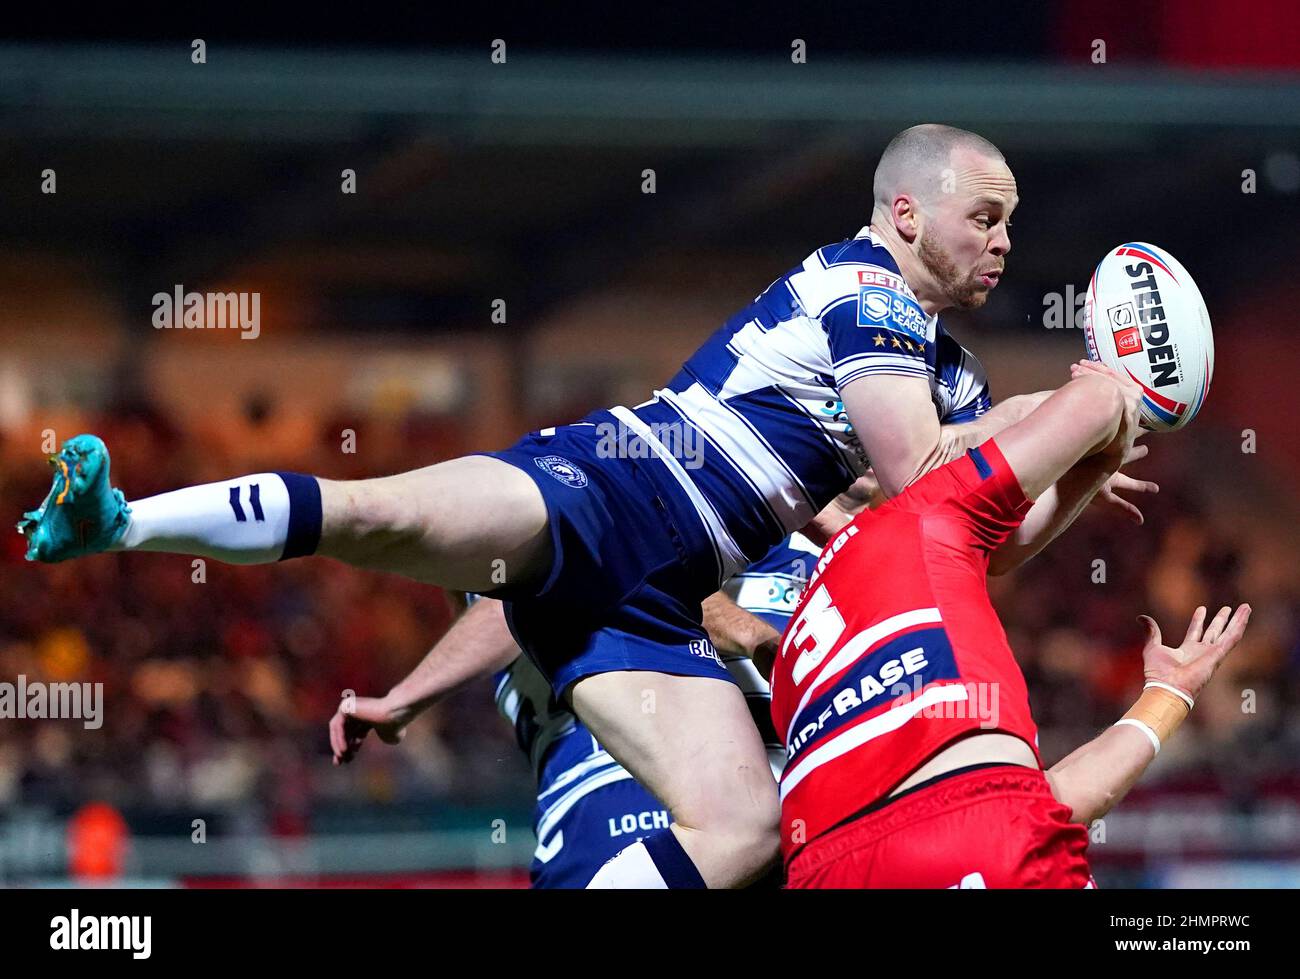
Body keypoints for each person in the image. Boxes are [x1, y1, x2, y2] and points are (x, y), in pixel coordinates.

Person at [18, 124, 1151, 887]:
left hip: (657, 602)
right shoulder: (861, 288)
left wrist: (1087, 465)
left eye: (1009, 224)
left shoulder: (945, 373)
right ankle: (121, 521)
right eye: (984, 218)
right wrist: (1090, 397)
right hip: (611, 482)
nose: (1003, 242)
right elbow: (923, 479)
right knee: (378, 514)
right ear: (905, 212)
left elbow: (971, 540)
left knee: (748, 831)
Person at [770, 361, 1249, 888]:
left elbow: (1048, 800)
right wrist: (1116, 393)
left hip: (823, 866)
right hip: (988, 833)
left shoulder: (792, 651)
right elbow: (1095, 406)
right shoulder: (921, 516)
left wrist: (1168, 693)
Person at [328, 536, 818, 888]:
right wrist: (400, 701)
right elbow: (522, 600)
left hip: (772, 817)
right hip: (613, 810)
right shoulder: (543, 584)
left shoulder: (812, 557)